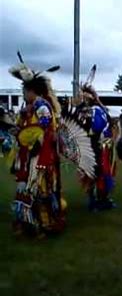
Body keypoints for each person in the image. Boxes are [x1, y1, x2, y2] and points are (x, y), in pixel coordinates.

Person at [9, 58, 66, 237]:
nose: (23, 94)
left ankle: (44, 225)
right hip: (27, 155)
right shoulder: (28, 108)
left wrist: (32, 135)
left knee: (39, 190)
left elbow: (45, 125)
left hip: (40, 156)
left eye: (24, 91)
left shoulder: (41, 105)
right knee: (24, 189)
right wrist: (17, 129)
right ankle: (26, 223)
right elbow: (24, 129)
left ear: (31, 91)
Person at [74, 65, 117, 211]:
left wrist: (94, 102)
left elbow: (104, 124)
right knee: (94, 174)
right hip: (94, 147)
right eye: (84, 95)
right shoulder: (88, 110)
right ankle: (94, 201)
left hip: (104, 147)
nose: (85, 97)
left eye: (87, 95)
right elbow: (92, 127)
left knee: (103, 174)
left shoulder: (97, 109)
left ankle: (102, 200)